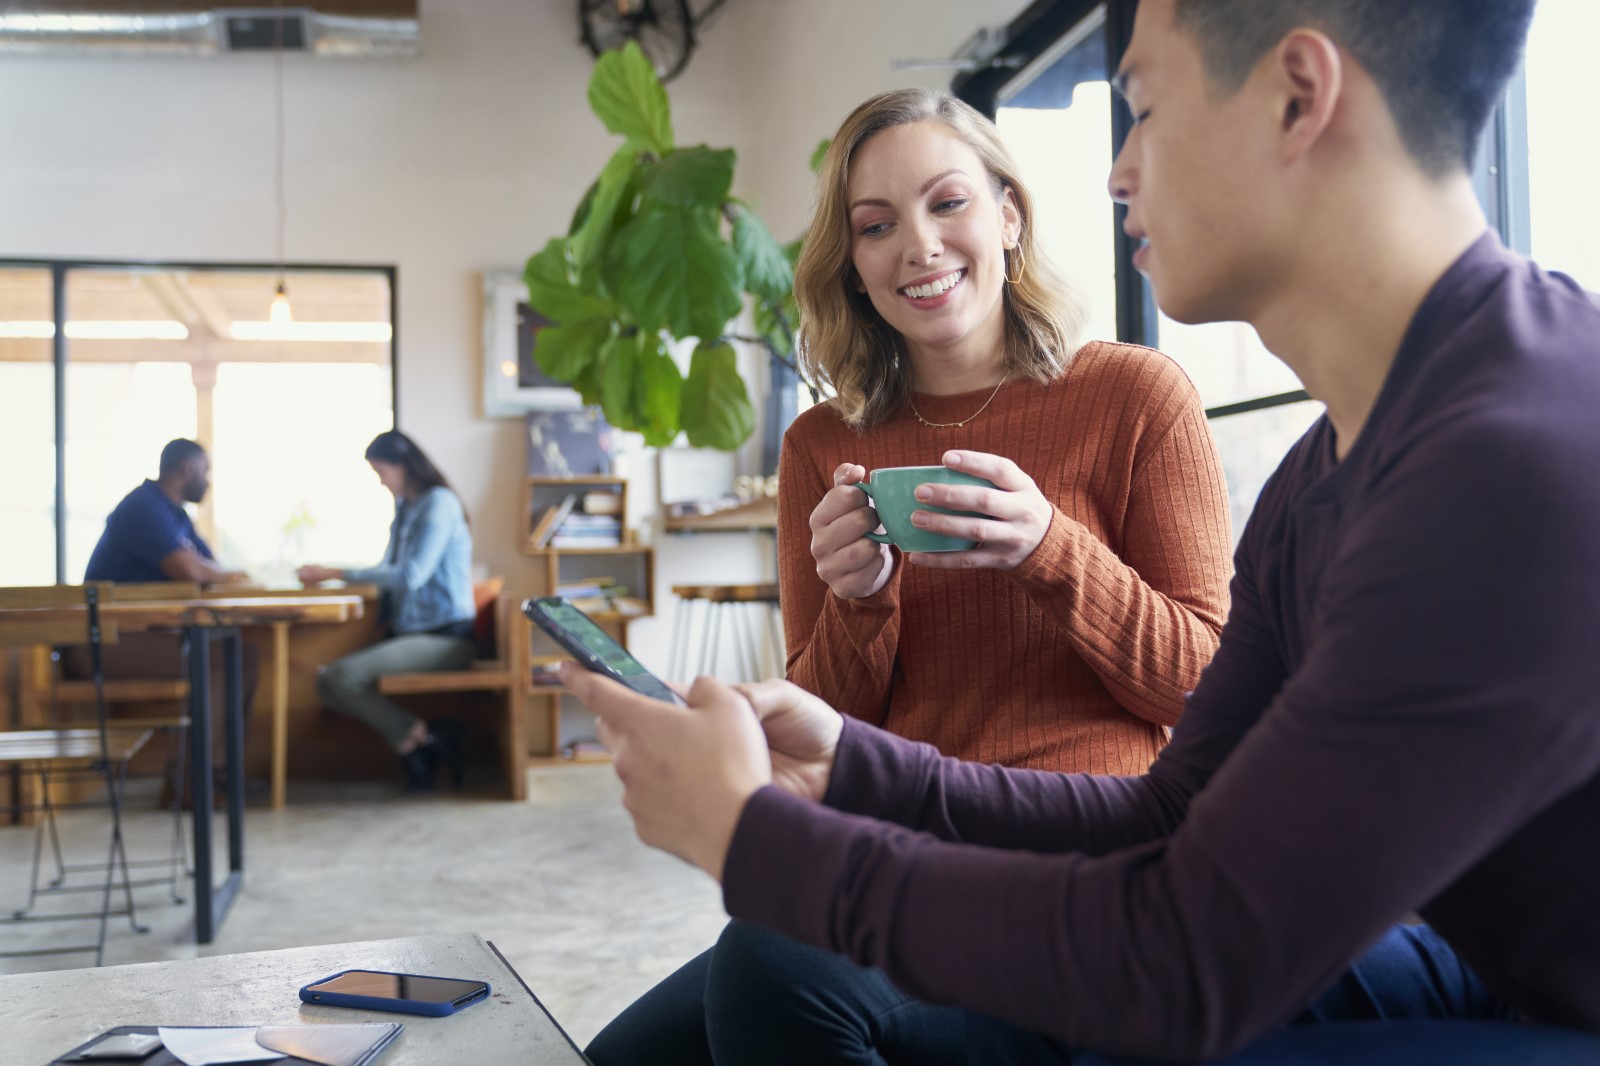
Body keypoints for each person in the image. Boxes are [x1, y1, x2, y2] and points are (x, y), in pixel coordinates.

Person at [565, 0, 1600, 1062]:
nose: (1116, 172)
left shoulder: (1509, 457)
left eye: (1143, 107)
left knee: (810, 980)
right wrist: (860, 768)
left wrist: (754, 842)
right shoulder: (1324, 473)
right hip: (1486, 974)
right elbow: (1172, 811)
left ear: (1299, 97)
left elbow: (1178, 959)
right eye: (876, 224)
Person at [780, 89, 1233, 774]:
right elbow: (818, 737)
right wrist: (859, 604)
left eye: (948, 203)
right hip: (912, 832)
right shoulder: (818, 443)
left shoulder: (1137, 396)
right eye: (876, 227)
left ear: (1010, 217)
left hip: (1094, 833)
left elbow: (1207, 692)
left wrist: (1048, 549)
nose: (920, 246)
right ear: (851, 267)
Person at [298, 430, 475, 791]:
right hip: (414, 632)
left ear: (403, 465)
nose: (381, 482)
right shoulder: (407, 508)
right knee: (325, 682)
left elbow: (411, 575)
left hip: (445, 637)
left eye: (382, 472)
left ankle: (423, 745)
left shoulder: (438, 503)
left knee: (343, 678)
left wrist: (335, 572)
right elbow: (390, 569)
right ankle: (426, 738)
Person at [76, 438, 257, 786]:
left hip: (142, 637)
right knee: (215, 659)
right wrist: (219, 573)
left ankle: (217, 772)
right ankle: (191, 781)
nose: (209, 480)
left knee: (242, 654)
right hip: (103, 643)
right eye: (207, 471)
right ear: (187, 468)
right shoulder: (143, 508)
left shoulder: (175, 514)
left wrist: (218, 572)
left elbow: (210, 566)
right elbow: (189, 571)